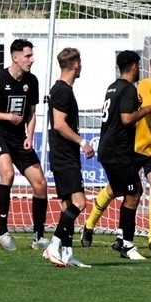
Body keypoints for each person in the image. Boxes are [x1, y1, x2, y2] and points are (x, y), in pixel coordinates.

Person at [81, 53, 151, 252]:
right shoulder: (143, 86)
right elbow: (146, 104)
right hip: (135, 148)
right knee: (116, 190)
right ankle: (90, 224)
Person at [86, 50, 151, 260]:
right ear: (134, 67)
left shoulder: (113, 87)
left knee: (125, 192)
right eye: (138, 66)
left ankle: (119, 238)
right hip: (118, 152)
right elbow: (126, 119)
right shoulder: (128, 88)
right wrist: (147, 109)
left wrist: (136, 105)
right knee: (134, 193)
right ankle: (127, 245)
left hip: (108, 149)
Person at [0, 39, 49, 251]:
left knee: (40, 183)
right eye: (28, 56)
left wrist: (30, 136)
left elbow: (32, 113)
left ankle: (38, 237)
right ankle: (3, 233)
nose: (31, 60)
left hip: (19, 138)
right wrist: (8, 117)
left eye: (32, 55)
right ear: (15, 57)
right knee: (7, 174)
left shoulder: (32, 81)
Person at [42, 48, 95, 268]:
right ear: (76, 65)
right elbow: (59, 124)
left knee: (67, 207)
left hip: (62, 154)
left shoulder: (62, 89)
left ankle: (67, 254)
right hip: (64, 155)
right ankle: (53, 246)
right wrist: (83, 143)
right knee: (80, 203)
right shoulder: (62, 91)